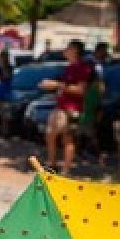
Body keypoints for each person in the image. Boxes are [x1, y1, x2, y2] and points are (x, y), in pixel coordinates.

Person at [40, 40, 92, 175]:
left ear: (75, 50)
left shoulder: (82, 67)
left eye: (68, 48)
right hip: (61, 105)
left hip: (71, 108)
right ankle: (52, 164)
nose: (65, 50)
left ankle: (65, 169)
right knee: (50, 134)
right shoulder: (69, 67)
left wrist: (56, 85)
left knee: (67, 137)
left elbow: (81, 90)